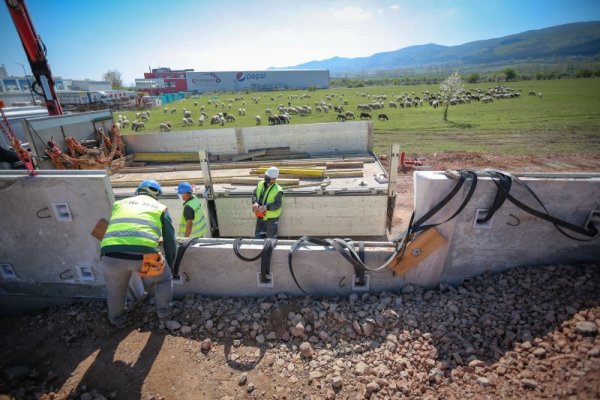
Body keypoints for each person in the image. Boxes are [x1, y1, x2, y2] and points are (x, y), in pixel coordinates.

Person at [99, 179, 178, 328]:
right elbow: (169, 239)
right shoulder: (160, 207)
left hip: (110, 254)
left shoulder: (120, 204)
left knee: (115, 289)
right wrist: (171, 261)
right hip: (144, 255)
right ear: (157, 195)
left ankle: (117, 321)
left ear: (138, 191)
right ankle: (164, 315)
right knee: (164, 279)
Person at [252, 166, 283, 238]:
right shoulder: (260, 184)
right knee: (259, 236)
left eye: (268, 177)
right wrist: (255, 202)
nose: (266, 177)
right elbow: (254, 194)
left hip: (271, 219)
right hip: (260, 216)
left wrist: (266, 207)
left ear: (273, 179)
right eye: (266, 175)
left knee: (270, 239)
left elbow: (277, 204)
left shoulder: (278, 190)